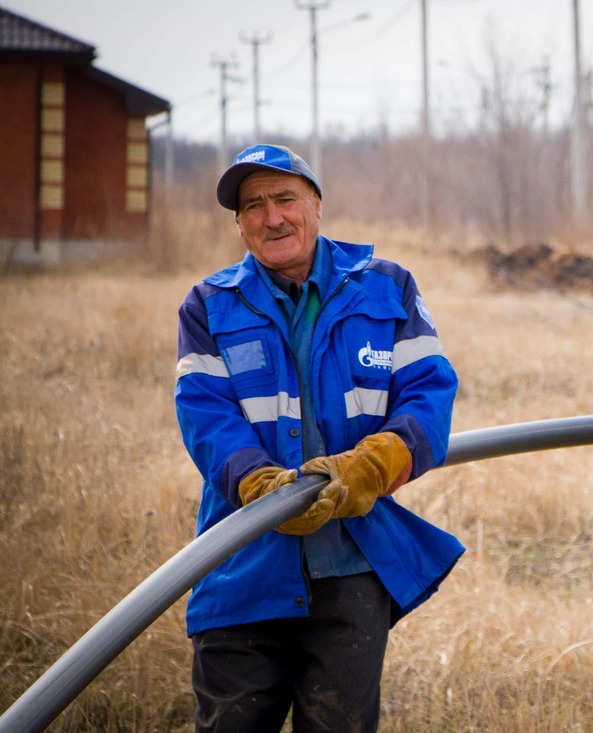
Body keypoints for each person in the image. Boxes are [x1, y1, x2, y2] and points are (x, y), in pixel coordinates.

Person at [174, 143, 463, 732]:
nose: (272, 217)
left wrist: (373, 466)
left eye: (285, 198)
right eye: (253, 206)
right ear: (239, 224)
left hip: (351, 566)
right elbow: (206, 416)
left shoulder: (387, 289)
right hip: (243, 562)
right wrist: (257, 484)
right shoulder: (210, 305)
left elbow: (429, 395)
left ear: (317, 206)